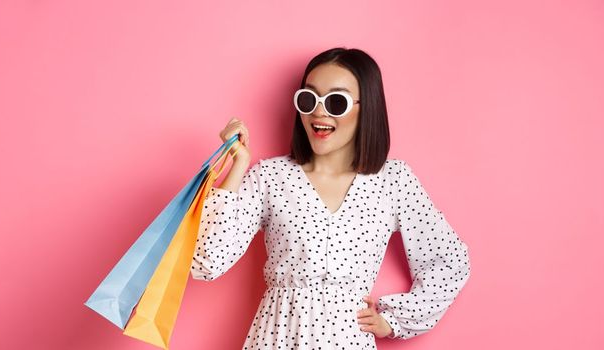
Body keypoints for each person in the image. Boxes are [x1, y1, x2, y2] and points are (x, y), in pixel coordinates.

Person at [191, 47, 471, 349]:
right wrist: (238, 164)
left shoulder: (393, 181)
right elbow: (206, 262)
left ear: (368, 108)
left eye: (336, 101)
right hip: (276, 338)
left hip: (347, 340)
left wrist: (395, 319)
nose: (319, 112)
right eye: (309, 99)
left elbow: (450, 261)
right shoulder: (269, 177)